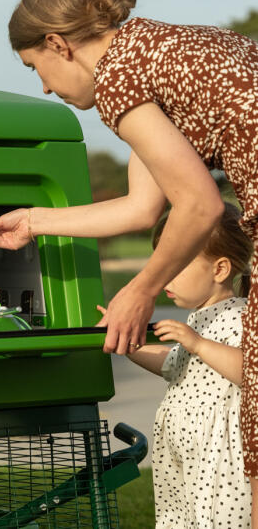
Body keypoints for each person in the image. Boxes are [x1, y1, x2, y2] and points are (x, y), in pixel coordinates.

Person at [0, 0, 258, 513]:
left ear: (59, 44)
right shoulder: (161, 49)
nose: (45, 88)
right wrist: (33, 221)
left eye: (38, 69)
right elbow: (143, 207)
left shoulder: (118, 76)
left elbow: (199, 205)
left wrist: (141, 289)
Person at [103, 204, 252, 526]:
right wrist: (125, 342)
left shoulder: (242, 317)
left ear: (220, 269)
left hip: (220, 457)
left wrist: (197, 343)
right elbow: (173, 365)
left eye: (178, 265)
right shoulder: (200, 318)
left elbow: (250, 370)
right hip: (184, 454)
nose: (164, 275)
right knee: (180, 518)